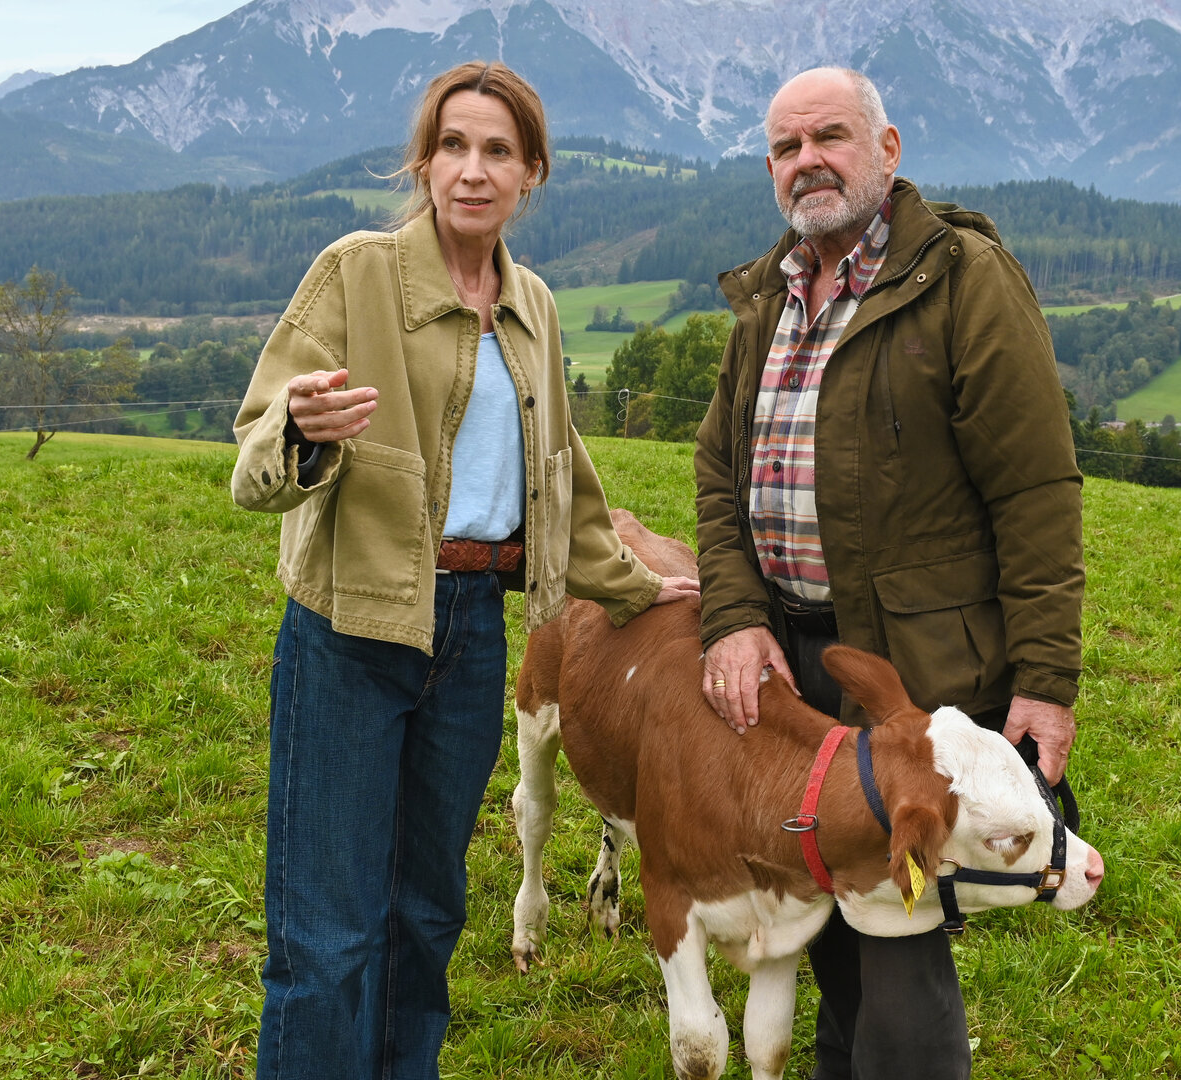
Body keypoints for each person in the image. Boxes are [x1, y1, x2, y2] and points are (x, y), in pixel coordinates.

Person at [230, 60, 696, 1080]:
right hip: (350, 632)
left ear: (531, 173)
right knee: (326, 931)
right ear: (422, 162)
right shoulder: (354, 271)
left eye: (496, 151)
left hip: (474, 633)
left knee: (428, 912)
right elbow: (255, 458)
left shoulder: (532, 302)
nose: (470, 170)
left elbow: (560, 477)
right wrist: (302, 431)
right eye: (451, 146)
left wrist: (635, 585)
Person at [693, 67, 1085, 1080]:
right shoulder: (767, 301)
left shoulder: (959, 279)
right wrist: (735, 618)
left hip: (912, 674)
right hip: (792, 662)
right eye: (785, 147)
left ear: (888, 149)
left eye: (828, 135)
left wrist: (1042, 679)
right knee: (824, 900)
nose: (806, 161)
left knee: (897, 934)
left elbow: (1034, 489)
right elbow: (715, 478)